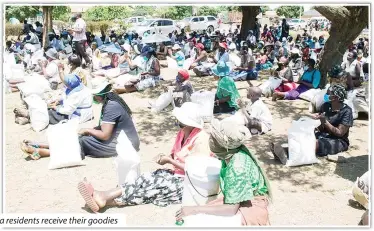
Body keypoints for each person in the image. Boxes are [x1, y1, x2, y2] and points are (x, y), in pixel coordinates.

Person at [76, 102, 211, 212]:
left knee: (152, 189)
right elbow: (177, 154)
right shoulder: (182, 133)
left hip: (190, 183)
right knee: (145, 179)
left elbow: (195, 169)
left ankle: (105, 198)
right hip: (176, 174)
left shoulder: (201, 139)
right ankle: (104, 196)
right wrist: (167, 157)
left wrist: (170, 161)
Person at [176, 119, 272, 226]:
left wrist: (194, 210)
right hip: (242, 200)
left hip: (251, 208)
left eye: (214, 138)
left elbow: (231, 209)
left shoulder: (237, 166)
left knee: (195, 220)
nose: (210, 139)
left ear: (222, 144)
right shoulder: (234, 153)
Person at [21, 80, 138, 160]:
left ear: (100, 95)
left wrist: (88, 130)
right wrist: (91, 130)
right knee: (78, 138)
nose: (93, 97)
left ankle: (43, 152)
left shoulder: (111, 106)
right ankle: (39, 144)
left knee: (82, 142)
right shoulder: (111, 102)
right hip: (121, 140)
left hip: (124, 144)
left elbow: (105, 135)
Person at [272, 84, 353, 164]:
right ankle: (285, 151)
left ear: (335, 97)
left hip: (338, 141)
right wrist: (315, 123)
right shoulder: (326, 106)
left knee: (315, 143)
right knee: (304, 137)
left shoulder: (346, 111)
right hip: (323, 135)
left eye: (328, 93)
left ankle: (286, 152)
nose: (326, 95)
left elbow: (340, 133)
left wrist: (325, 122)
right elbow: (321, 128)